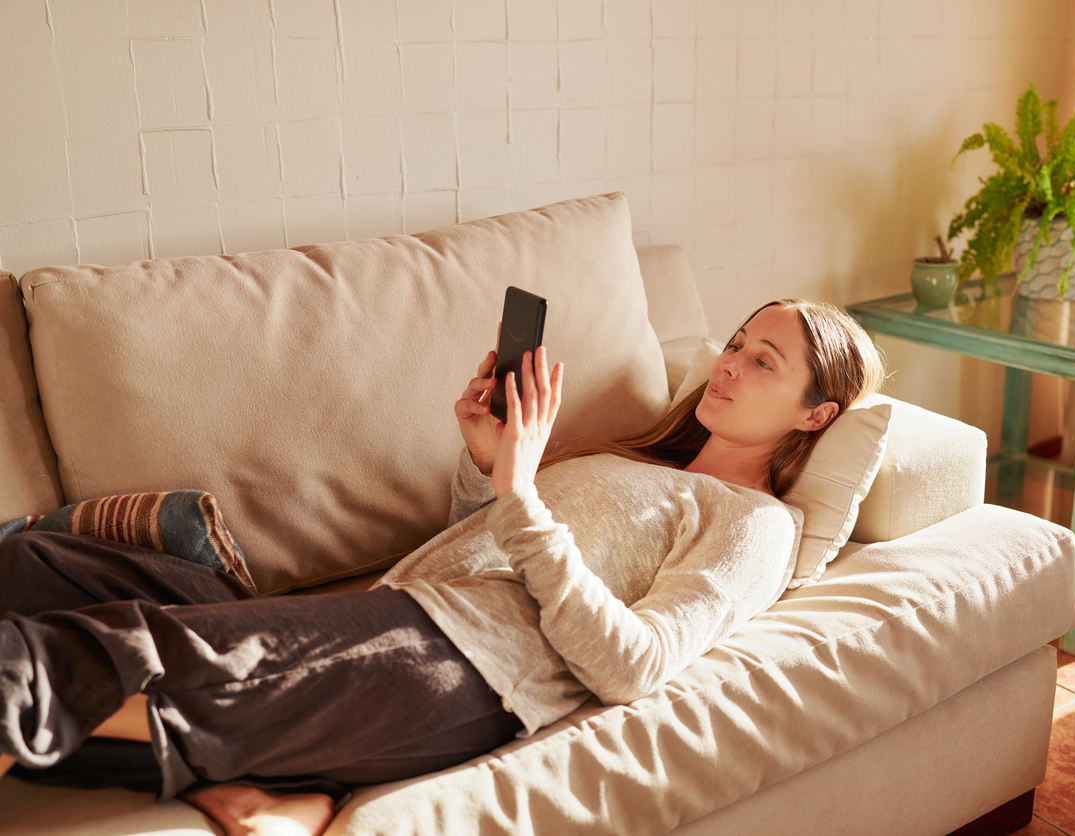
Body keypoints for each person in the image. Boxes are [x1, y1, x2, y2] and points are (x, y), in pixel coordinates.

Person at [0, 298, 882, 836]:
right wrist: (485, 465)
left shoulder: (756, 524)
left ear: (815, 416)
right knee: (44, 561)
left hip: (459, 661)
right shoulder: (635, 463)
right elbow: (483, 544)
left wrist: (522, 492)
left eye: (763, 362)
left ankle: (267, 765)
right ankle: (268, 775)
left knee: (59, 656)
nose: (728, 365)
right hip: (399, 610)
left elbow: (634, 666)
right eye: (734, 344)